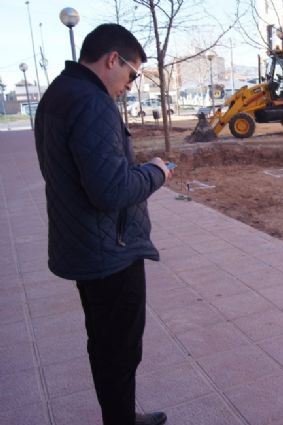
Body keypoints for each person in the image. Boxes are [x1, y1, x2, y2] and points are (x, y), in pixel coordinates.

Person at [34, 24, 170, 425]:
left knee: (107, 343)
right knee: (120, 348)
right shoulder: (92, 102)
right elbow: (110, 190)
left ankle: (121, 414)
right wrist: (156, 172)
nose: (131, 84)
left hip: (87, 243)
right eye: (133, 74)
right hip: (110, 250)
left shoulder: (60, 93)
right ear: (113, 59)